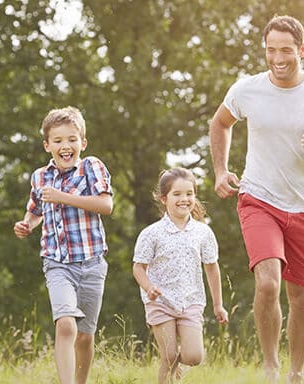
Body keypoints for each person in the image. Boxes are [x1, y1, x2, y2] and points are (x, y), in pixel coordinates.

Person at [208, 15, 304, 384]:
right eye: (271, 50)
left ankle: (296, 373)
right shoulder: (247, 89)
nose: (278, 58)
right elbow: (221, 123)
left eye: (286, 50)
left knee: (301, 296)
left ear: (301, 50)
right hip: (259, 199)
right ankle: (271, 367)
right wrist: (220, 170)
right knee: (267, 283)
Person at [13, 106, 112, 384]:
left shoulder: (92, 166)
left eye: (71, 139)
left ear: (83, 142)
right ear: (47, 146)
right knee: (66, 324)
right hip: (57, 263)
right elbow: (35, 210)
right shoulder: (40, 177)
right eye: (57, 141)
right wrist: (27, 225)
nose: (65, 146)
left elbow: (106, 205)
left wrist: (63, 197)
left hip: (92, 264)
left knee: (84, 335)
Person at [132, 167, 229, 384]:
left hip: (190, 301)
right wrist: (148, 287)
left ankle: (178, 365)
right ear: (164, 199)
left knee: (193, 357)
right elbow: (138, 268)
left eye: (189, 194)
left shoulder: (203, 232)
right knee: (168, 356)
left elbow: (212, 268)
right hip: (160, 301)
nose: (184, 199)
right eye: (177, 194)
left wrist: (218, 305)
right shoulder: (151, 233)